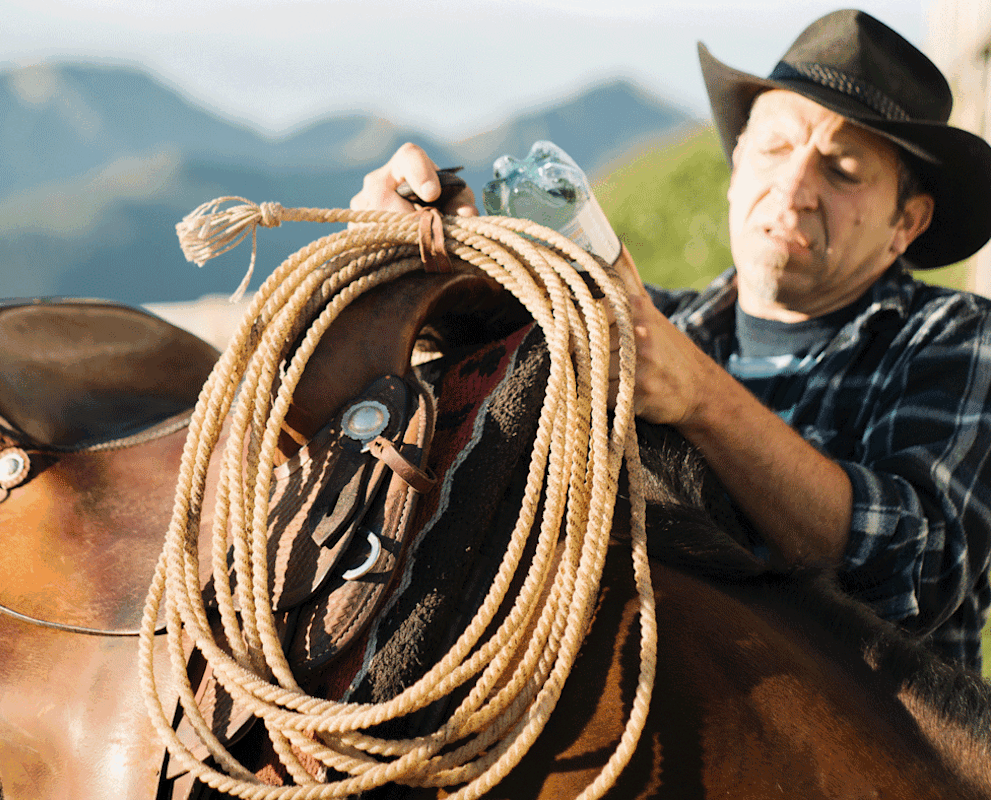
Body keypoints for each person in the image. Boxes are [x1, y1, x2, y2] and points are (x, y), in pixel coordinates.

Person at [350, 9, 991, 670]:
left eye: (844, 170)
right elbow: (494, 381)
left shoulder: (954, 339)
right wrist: (444, 263)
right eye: (774, 148)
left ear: (907, 223)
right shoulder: (657, 323)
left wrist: (703, 398)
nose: (793, 188)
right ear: (738, 164)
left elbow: (915, 571)